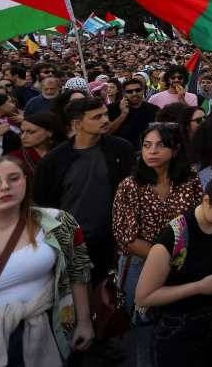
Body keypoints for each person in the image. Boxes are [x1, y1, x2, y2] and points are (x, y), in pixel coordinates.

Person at [0, 157, 94, 367]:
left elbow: (79, 269)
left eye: (14, 178)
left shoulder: (57, 221)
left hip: (48, 329)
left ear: (26, 181)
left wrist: (85, 322)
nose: (5, 186)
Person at [134, 173, 212, 366]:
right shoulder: (175, 235)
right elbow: (144, 296)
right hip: (181, 331)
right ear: (206, 200)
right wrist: (198, 287)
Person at [112, 123, 203, 365]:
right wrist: (166, 261)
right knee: (145, 331)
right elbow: (127, 237)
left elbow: (197, 220)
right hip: (140, 266)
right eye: (146, 145)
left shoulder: (190, 181)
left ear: (176, 150)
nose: (152, 151)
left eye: (161, 145)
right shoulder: (130, 185)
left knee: (177, 327)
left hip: (183, 264)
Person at [32, 97, 134, 283]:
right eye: (96, 117)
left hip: (111, 241)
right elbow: (42, 203)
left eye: (105, 114)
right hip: (70, 242)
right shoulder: (54, 160)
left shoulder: (121, 150)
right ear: (77, 124)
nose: (105, 120)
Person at [108, 76, 159, 147]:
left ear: (143, 90)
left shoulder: (153, 109)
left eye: (138, 90)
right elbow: (107, 132)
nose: (134, 93)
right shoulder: (112, 108)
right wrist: (123, 114)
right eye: (129, 91)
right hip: (120, 150)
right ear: (124, 94)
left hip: (146, 150)